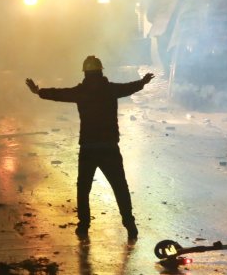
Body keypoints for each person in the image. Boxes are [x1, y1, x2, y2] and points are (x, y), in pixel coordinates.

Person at [26, 56, 154, 241]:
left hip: (88, 148)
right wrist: (142, 82)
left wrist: (39, 91)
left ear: (85, 73)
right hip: (109, 147)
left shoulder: (81, 92)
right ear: (101, 71)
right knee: (120, 187)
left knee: (83, 189)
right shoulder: (111, 89)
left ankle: (84, 226)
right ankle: (130, 225)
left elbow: (60, 94)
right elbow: (129, 87)